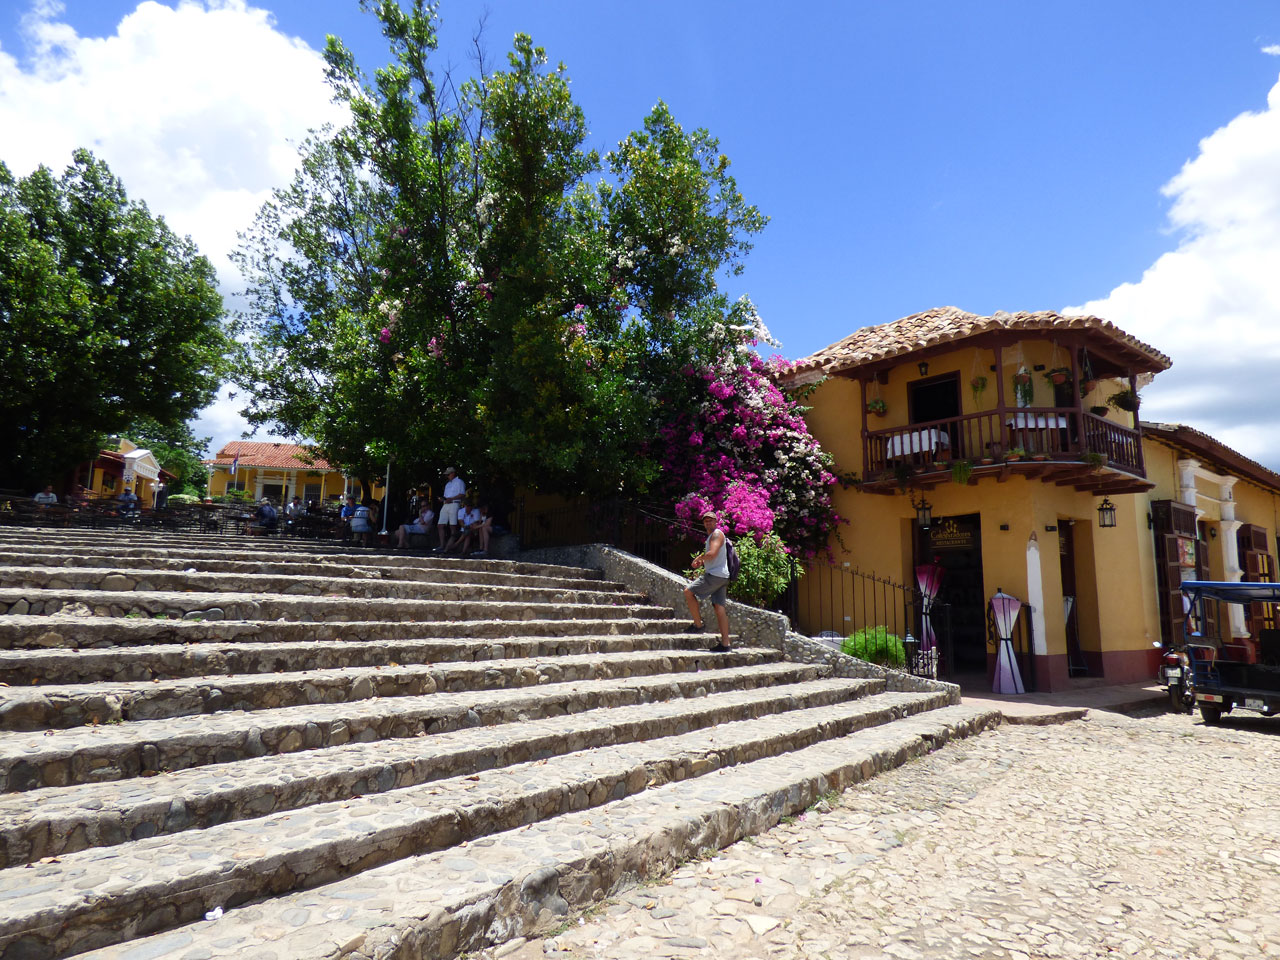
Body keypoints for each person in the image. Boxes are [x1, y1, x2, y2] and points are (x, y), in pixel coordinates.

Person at [683, 509, 732, 652]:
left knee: (688, 592)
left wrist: (699, 558)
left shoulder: (716, 534)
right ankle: (725, 644)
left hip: (715, 576)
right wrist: (703, 561)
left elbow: (712, 554)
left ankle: (698, 625)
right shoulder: (713, 535)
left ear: (716, 522)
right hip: (722, 576)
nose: (708, 522)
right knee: (719, 608)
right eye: (705, 520)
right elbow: (713, 557)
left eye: (711, 520)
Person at [437, 467, 466, 551]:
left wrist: (451, 499)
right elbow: (446, 496)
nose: (447, 476)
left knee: (452, 526)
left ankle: (450, 546)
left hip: (454, 504)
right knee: (440, 525)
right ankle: (442, 545)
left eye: (448, 474)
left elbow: (462, 494)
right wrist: (443, 499)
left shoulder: (459, 482)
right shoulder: (448, 484)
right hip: (446, 504)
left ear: (453, 473)